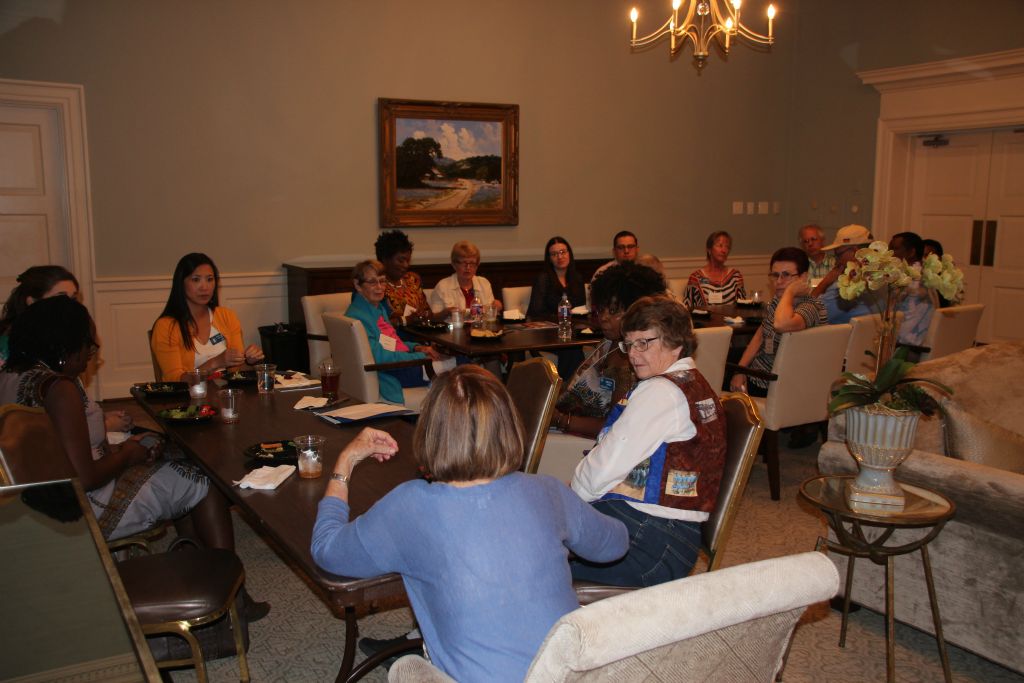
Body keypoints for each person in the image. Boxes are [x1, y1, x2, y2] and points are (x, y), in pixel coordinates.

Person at [310, 365, 628, 682]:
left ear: (431, 431)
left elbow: (327, 549)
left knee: (403, 671)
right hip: (574, 675)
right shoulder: (547, 490)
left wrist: (345, 462)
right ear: (509, 426)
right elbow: (615, 545)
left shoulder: (409, 505)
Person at [2, 296, 269, 619]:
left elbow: (57, 453)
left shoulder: (12, 377)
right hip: (83, 510)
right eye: (87, 343)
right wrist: (129, 453)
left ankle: (193, 568)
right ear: (62, 346)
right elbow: (84, 477)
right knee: (204, 479)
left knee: (176, 464)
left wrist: (121, 448)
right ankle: (234, 597)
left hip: (36, 508)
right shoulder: (58, 389)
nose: (92, 352)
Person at [570, 296, 726, 588]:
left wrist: (568, 499)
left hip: (650, 543)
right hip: (672, 538)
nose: (633, 354)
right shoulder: (692, 382)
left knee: (539, 561)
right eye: (629, 344)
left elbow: (596, 476)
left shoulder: (660, 392)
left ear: (675, 342)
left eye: (644, 342)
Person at [1, 265, 131, 432]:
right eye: (60, 298)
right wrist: (105, 426)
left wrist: (98, 418)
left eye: (74, 298)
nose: (69, 306)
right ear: (32, 302)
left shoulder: (56, 345)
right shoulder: (10, 347)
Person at [551, 262, 668, 440]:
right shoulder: (608, 343)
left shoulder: (632, 361)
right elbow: (571, 385)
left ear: (636, 311)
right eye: (601, 310)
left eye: (613, 311)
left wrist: (560, 420)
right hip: (565, 423)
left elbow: (616, 425)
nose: (604, 318)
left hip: (585, 440)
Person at [730, 247, 828, 397]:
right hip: (758, 372)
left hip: (778, 385)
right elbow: (760, 336)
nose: (779, 281)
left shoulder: (810, 307)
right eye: (775, 275)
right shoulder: (778, 301)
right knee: (718, 360)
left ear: (803, 277)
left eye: (786, 275)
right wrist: (740, 370)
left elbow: (781, 324)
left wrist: (789, 292)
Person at [151, 253, 264, 382]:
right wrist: (216, 362)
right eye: (196, 280)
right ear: (181, 283)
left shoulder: (227, 316)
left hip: (227, 394)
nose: (204, 287)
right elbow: (176, 382)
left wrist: (250, 362)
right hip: (189, 398)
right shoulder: (166, 327)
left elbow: (236, 372)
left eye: (210, 279)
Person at [346, 260, 442, 404]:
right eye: (372, 282)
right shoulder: (359, 317)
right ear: (357, 285)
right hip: (393, 372)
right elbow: (380, 358)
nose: (379, 288)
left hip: (402, 364)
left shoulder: (377, 308)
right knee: (461, 365)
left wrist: (416, 347)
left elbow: (392, 342)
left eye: (382, 281)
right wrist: (421, 356)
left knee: (454, 360)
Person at [812, 224, 880, 324]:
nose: (836, 261)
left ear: (855, 251)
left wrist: (825, 283)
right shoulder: (884, 277)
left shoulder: (845, 288)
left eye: (838, 255)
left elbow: (808, 316)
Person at [429, 241, 503, 317]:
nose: (468, 268)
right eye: (464, 263)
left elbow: (490, 316)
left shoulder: (484, 283)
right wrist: (446, 313)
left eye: (472, 263)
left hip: (481, 328)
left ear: (477, 266)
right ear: (454, 265)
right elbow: (433, 318)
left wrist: (495, 308)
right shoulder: (442, 286)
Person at [375, 229, 434, 324]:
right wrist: (406, 320)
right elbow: (380, 324)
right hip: (394, 337)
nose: (406, 265)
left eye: (408, 260)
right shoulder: (376, 286)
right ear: (384, 259)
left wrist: (424, 315)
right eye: (401, 261)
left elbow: (428, 312)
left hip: (422, 335)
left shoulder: (412, 279)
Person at [889, 231, 935, 345]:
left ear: (911, 252)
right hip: (918, 341)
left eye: (895, 249)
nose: (891, 254)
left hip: (906, 346)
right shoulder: (928, 275)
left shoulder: (913, 281)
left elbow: (901, 329)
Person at [682, 231, 746, 309]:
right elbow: (688, 309)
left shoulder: (736, 277)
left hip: (732, 320)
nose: (724, 250)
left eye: (727, 247)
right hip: (703, 320)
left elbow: (743, 308)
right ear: (709, 249)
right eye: (720, 245)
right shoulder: (696, 278)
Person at [527, 236, 586, 317]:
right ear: (550, 259)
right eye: (554, 254)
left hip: (575, 324)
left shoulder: (577, 278)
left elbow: (582, 307)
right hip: (549, 325)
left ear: (569, 254)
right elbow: (537, 312)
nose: (560, 257)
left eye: (563, 252)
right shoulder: (543, 279)